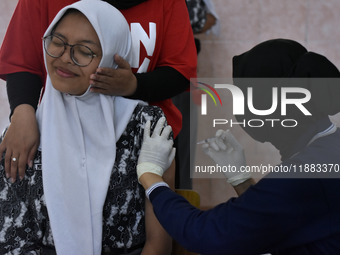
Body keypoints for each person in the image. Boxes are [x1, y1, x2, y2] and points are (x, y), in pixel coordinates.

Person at [0, 1, 175, 254]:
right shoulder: (25, 131)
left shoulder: (147, 126)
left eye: (84, 51)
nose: (64, 58)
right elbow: (12, 239)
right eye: (57, 42)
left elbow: (158, 243)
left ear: (112, 58)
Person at [135, 39, 340, 254]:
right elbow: (270, 219)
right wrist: (241, 179)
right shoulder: (327, 149)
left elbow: (209, 235)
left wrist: (152, 180)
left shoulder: (306, 174)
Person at [0, 0, 197, 182]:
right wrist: (22, 113)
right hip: (58, 135)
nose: (68, 58)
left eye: (85, 52)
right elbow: (23, 60)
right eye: (58, 43)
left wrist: (134, 85)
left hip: (143, 147)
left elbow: (180, 70)